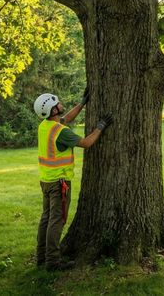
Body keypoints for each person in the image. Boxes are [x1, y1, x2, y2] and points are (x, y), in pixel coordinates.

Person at [33, 89, 112, 271]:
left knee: (46, 219)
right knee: (57, 220)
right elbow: (86, 143)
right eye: (57, 103)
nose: (61, 104)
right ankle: (52, 261)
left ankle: (41, 257)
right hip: (59, 182)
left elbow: (66, 119)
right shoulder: (61, 132)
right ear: (53, 110)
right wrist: (100, 126)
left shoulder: (45, 126)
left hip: (46, 180)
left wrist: (82, 104)